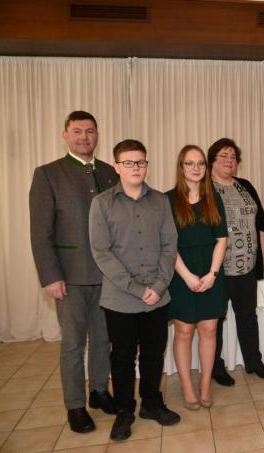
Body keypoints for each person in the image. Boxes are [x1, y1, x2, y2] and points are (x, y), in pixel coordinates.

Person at [29, 110, 117, 433]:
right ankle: (75, 406)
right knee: (73, 344)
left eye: (90, 131)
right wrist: (50, 276)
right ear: (65, 135)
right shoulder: (48, 174)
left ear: (97, 135)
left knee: (104, 339)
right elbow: (40, 232)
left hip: (108, 277)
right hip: (69, 276)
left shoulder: (110, 173)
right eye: (77, 131)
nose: (84, 137)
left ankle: (98, 391)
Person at [89, 139, 180, 441]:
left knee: (154, 354)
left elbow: (170, 246)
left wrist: (158, 285)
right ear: (117, 167)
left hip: (158, 295)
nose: (136, 167)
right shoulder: (102, 203)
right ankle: (125, 412)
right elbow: (101, 252)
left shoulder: (160, 201)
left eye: (140, 162)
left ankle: (152, 404)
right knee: (123, 358)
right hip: (120, 299)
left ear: (146, 165)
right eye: (128, 162)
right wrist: (136, 289)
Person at [208, 138, 264, 384]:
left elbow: (261, 222)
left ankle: (253, 362)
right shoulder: (205, 188)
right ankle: (215, 367)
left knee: (248, 315)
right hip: (217, 268)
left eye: (233, 157)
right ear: (212, 160)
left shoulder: (244, 185)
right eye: (223, 156)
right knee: (215, 318)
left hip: (247, 265)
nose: (229, 161)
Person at [167, 145, 228, 410]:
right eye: (189, 163)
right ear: (181, 168)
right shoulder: (167, 200)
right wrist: (188, 276)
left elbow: (222, 239)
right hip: (181, 273)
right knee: (183, 331)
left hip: (211, 272)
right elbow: (166, 245)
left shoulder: (214, 198)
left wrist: (213, 274)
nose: (196, 168)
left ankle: (205, 386)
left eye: (200, 163)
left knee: (209, 330)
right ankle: (187, 387)